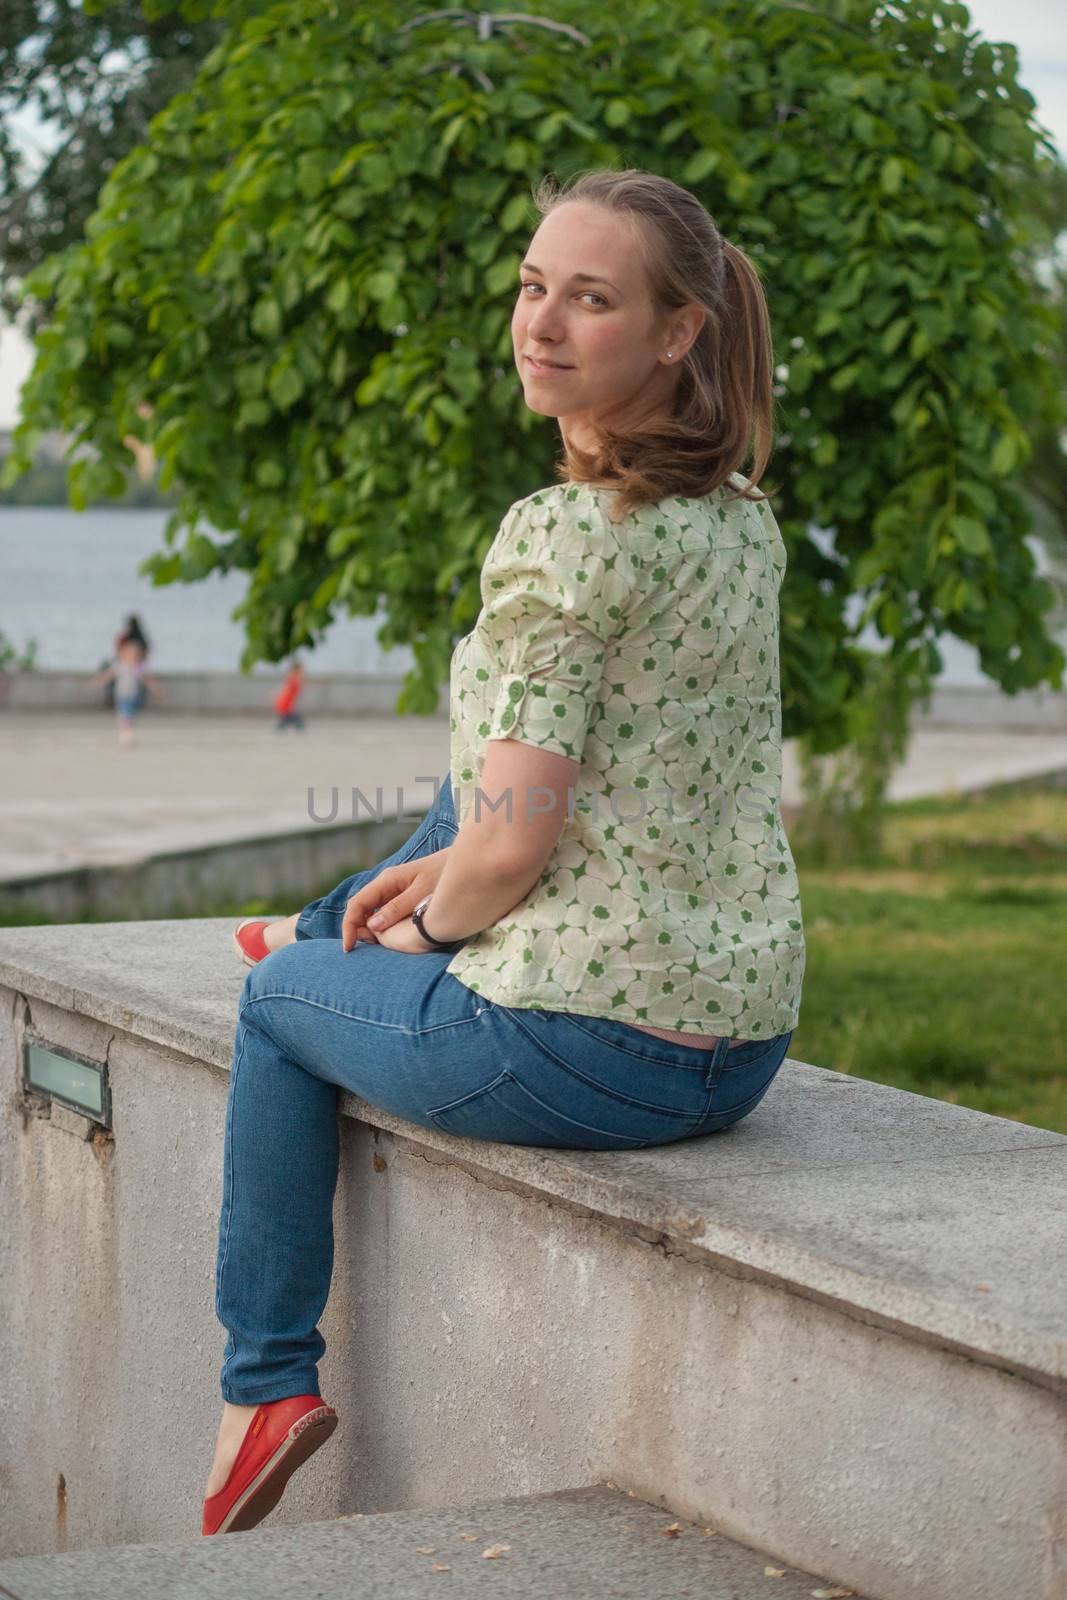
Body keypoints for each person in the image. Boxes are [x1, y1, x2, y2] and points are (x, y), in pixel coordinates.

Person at [203, 168, 806, 1536]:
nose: (541, 320)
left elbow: (514, 844)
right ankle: (318, 931)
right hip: (738, 1039)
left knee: (271, 1012)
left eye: (589, 298)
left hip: (584, 1047)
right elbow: (554, 789)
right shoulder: (741, 525)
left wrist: (426, 926)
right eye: (534, 286)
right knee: (473, 768)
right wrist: (449, 871)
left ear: (674, 334)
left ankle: (261, 1387)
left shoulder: (563, 537)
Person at [90, 635, 164, 746]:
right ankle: (126, 736)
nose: (133, 656)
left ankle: (127, 734)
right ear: (124, 653)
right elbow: (108, 675)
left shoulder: (138, 667)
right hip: (122, 695)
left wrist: (157, 690)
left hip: (134, 695)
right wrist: (97, 683)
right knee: (125, 715)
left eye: (135, 653)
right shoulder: (120, 665)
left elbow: (147, 680)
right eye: (130, 653)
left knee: (131, 715)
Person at [273, 658, 306, 731]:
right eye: (301, 668)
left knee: (289, 719)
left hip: (287, 703)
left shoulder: (295, 678)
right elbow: (286, 689)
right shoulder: (294, 678)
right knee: (296, 720)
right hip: (285, 703)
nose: (303, 670)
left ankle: (281, 726)